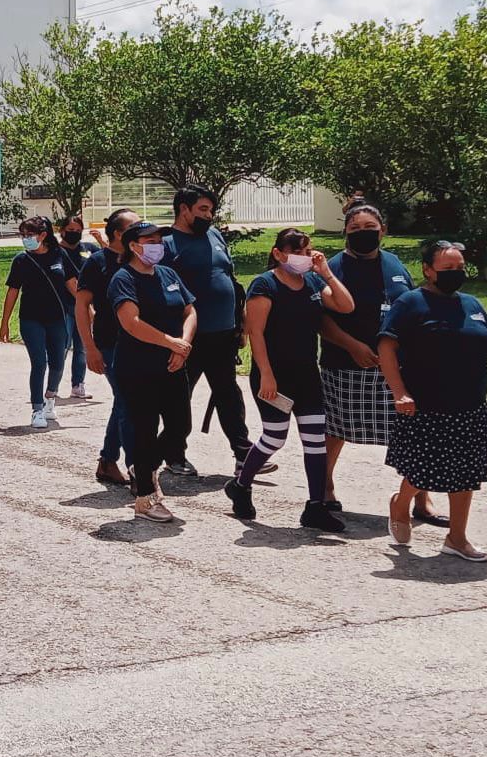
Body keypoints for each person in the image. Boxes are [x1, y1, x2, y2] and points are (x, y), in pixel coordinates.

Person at [378, 240, 487, 560]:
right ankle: (401, 502)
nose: (456, 272)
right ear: (428, 270)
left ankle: (457, 538)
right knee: (423, 469)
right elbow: (386, 346)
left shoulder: (472, 304)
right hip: (425, 405)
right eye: (448, 268)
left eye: (460, 267)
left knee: (466, 474)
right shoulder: (411, 303)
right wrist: (399, 391)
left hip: (470, 405)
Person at [225, 227, 355, 531]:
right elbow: (255, 332)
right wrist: (266, 376)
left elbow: (346, 305)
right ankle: (241, 485)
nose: (304, 257)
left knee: (315, 441)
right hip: (274, 375)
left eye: (308, 251)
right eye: (297, 252)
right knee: (275, 437)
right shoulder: (265, 284)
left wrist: (326, 273)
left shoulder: (312, 281)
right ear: (278, 253)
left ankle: (315, 506)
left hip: (306, 374)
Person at [318, 204, 441, 522]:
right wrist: (353, 346)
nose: (363, 233)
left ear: (383, 230)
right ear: (345, 232)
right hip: (346, 364)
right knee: (335, 429)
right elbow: (321, 320)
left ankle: (421, 498)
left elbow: (411, 304)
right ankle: (324, 487)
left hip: (396, 365)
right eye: (355, 229)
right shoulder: (334, 268)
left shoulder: (395, 263)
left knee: (414, 429)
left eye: (370, 227)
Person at [108, 222, 197, 521]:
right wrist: (169, 342)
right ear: (133, 246)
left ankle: (143, 467)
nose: (158, 245)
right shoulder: (123, 278)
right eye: (150, 241)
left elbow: (189, 310)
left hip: (173, 364)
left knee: (179, 427)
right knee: (144, 430)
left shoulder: (168, 274)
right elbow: (131, 323)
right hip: (138, 367)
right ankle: (145, 499)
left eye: (160, 240)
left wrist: (182, 345)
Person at [162, 188, 251, 475]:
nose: (208, 215)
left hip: (224, 333)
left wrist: (242, 325)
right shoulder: (166, 244)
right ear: (183, 209)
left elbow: (231, 280)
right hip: (187, 338)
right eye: (202, 209)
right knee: (179, 397)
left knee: (229, 394)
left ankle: (244, 453)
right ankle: (173, 453)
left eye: (211, 210)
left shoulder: (214, 236)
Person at [77, 209, 142, 486]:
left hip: (141, 343)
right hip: (110, 344)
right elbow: (81, 306)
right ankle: (137, 468)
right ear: (118, 233)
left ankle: (107, 460)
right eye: (135, 226)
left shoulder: (138, 259)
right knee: (129, 402)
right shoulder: (97, 263)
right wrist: (89, 348)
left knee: (125, 401)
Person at [0, 216, 78, 430]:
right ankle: (37, 408)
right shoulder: (21, 260)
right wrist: (5, 322)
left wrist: (88, 309)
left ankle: (50, 397)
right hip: (31, 319)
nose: (26, 239)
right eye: (23, 235)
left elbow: (72, 283)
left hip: (57, 318)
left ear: (43, 235)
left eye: (30, 235)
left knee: (58, 363)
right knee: (39, 363)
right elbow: (12, 291)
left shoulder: (59, 254)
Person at [58, 215, 94, 399]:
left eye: (78, 231)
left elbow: (110, 259)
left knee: (82, 347)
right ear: (62, 231)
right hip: (65, 306)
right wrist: (86, 306)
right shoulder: (56, 251)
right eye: (71, 230)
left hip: (85, 306)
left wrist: (102, 241)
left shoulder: (88, 249)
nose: (75, 234)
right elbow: (69, 282)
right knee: (62, 347)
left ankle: (78, 384)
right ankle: (52, 385)